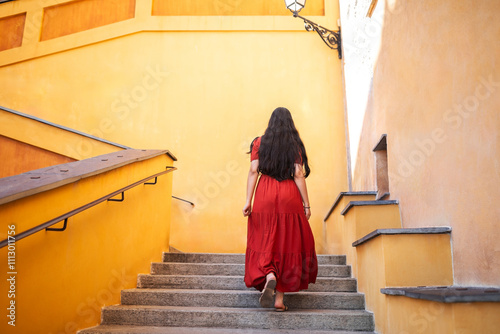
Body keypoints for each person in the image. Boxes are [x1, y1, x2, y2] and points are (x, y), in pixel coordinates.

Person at [242, 107, 318, 312]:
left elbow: (253, 170)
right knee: (286, 242)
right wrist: (306, 204)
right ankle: (279, 300)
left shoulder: (259, 142)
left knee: (265, 238)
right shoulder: (293, 145)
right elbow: (299, 174)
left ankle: (269, 274)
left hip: (265, 192)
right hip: (288, 195)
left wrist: (248, 200)